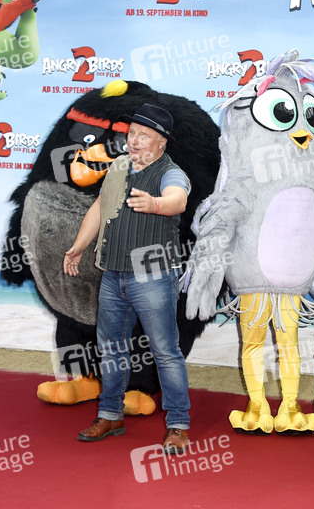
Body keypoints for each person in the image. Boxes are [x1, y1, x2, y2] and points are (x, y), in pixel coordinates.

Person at [63, 103, 192, 454]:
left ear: (162, 142)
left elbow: (178, 199)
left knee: (165, 352)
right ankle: (110, 415)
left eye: (143, 136)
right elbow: (100, 207)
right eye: (132, 133)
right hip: (112, 274)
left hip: (153, 277)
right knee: (111, 350)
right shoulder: (119, 166)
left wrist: (155, 204)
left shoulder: (171, 172)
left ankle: (178, 424)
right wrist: (78, 247)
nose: (134, 141)